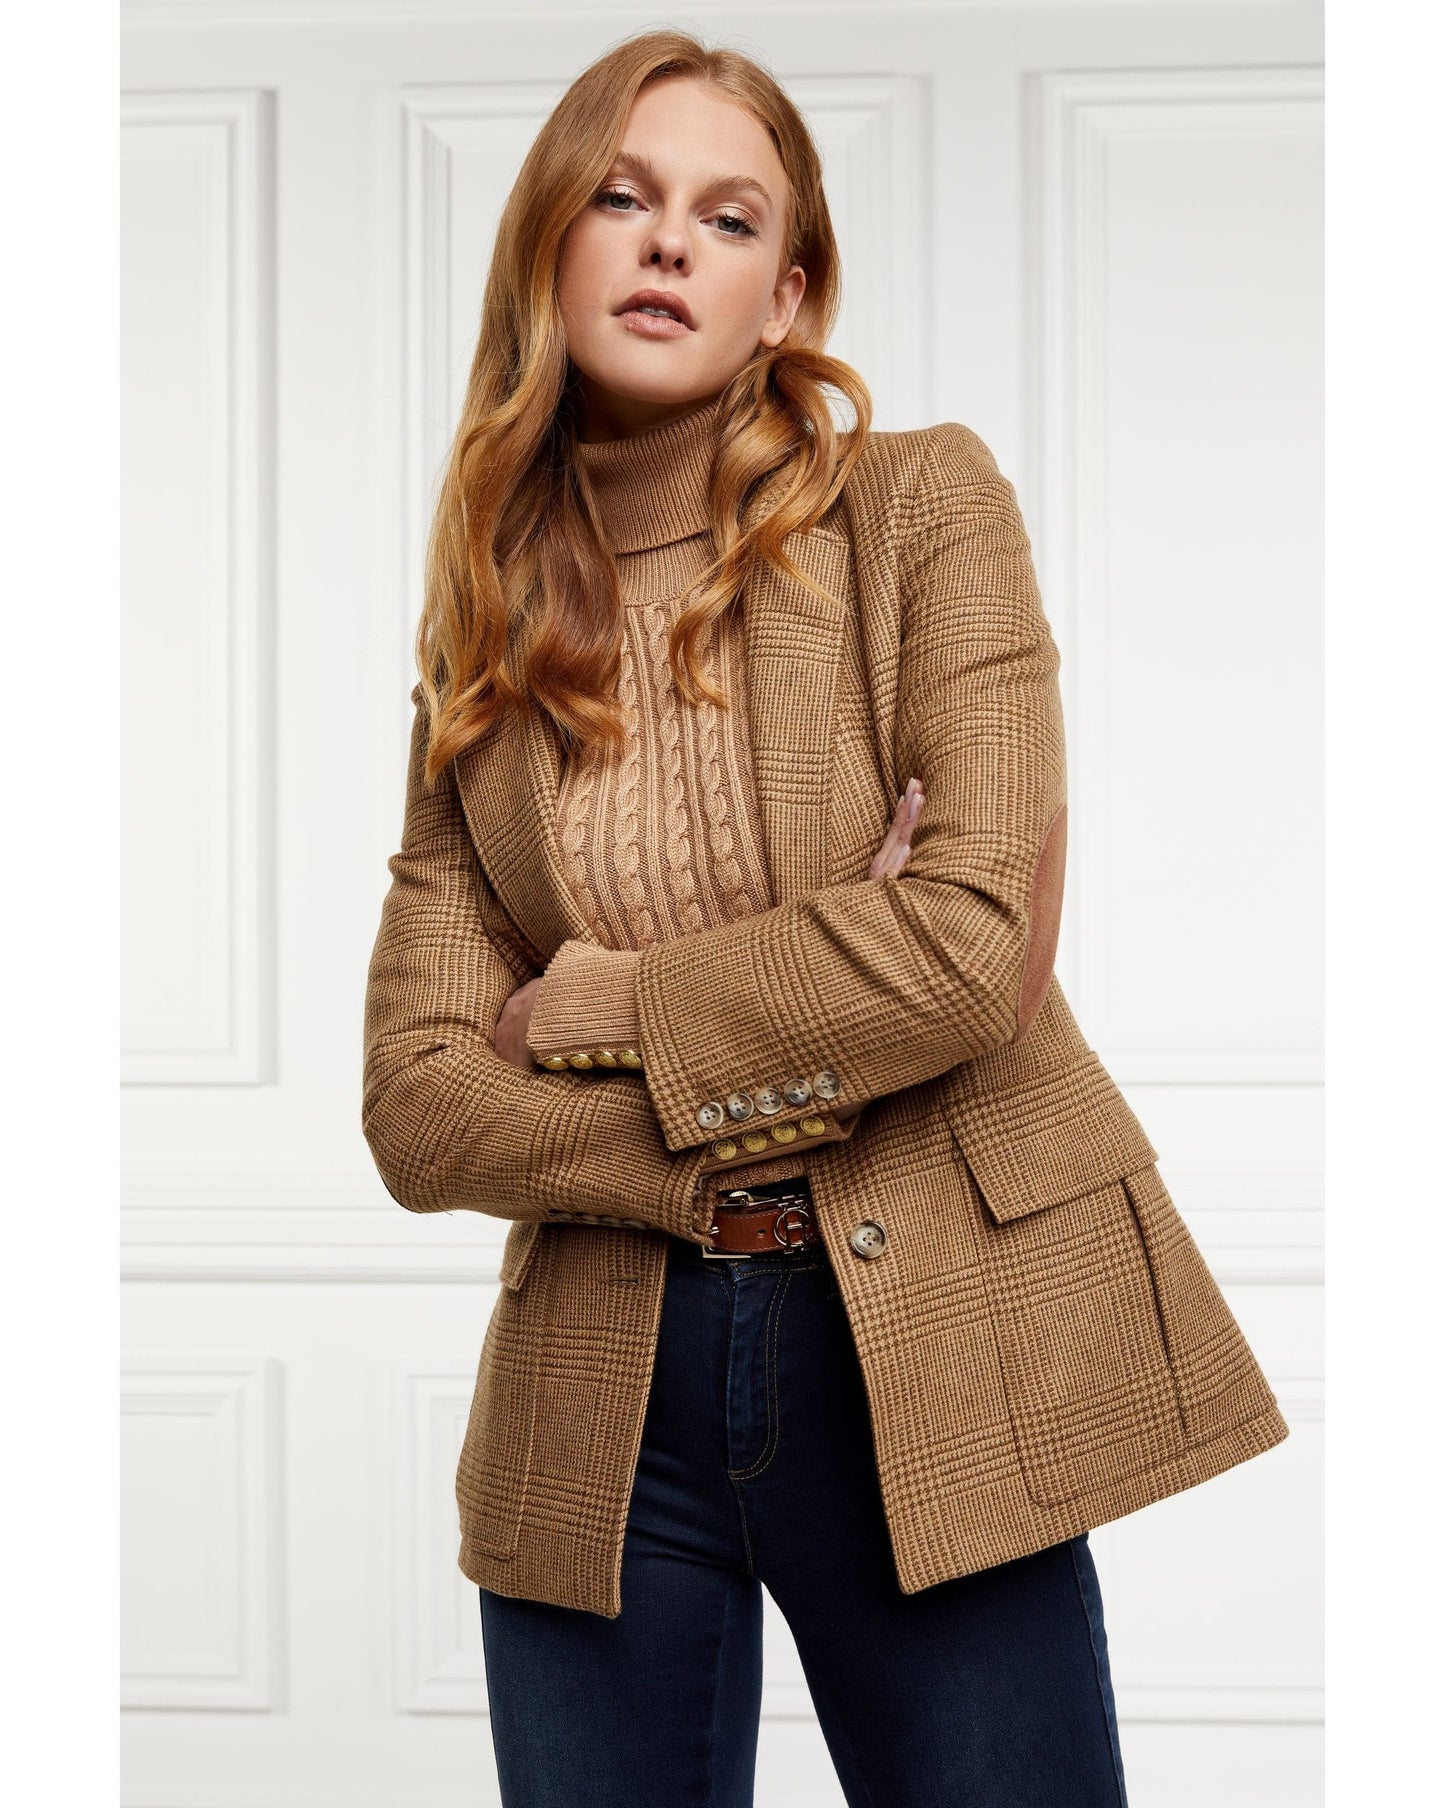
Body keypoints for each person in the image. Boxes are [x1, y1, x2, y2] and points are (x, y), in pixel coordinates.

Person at [361, 28, 1288, 1808]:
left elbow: (963, 949)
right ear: (549, 243)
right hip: (595, 1389)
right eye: (621, 198)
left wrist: (587, 1005)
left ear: (783, 297)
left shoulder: (921, 510)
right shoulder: (483, 643)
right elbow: (416, 1108)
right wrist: (762, 1075)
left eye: (726, 218)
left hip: (932, 1341)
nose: (666, 243)